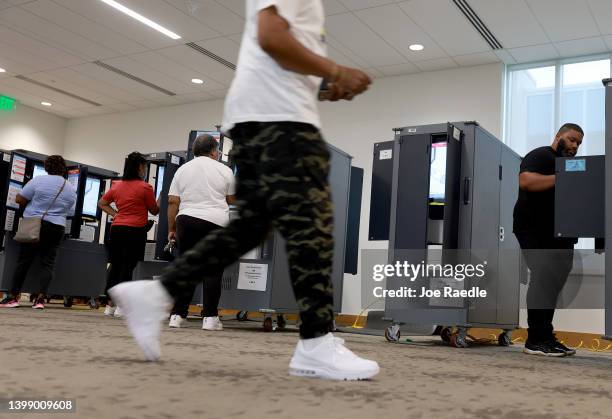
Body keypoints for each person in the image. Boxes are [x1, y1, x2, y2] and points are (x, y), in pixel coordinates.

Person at [109, 0, 379, 381]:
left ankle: (155, 294)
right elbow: (271, 37)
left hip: (263, 116)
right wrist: (336, 70)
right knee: (313, 226)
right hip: (278, 122)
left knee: (253, 224)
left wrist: (323, 84)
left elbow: (275, 60)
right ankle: (316, 342)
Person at [513, 123, 584, 357]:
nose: (575, 145)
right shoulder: (542, 154)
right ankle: (534, 340)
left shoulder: (570, 166)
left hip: (561, 232)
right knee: (543, 277)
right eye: (572, 139)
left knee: (553, 284)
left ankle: (545, 336)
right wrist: (565, 176)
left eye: (579, 143)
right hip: (533, 228)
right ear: (559, 136)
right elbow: (527, 182)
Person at [166, 135, 236, 330]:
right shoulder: (225, 170)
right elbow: (232, 200)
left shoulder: (182, 170)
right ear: (214, 151)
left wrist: (172, 229)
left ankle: (177, 316)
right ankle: (210, 318)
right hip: (216, 223)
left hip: (186, 221)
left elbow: (173, 202)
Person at [0, 155, 77, 310]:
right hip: (57, 228)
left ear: (47, 167)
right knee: (48, 264)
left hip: (35, 224)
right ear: (63, 168)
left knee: (24, 261)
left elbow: (19, 199)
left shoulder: (38, 181)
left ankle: (13, 297)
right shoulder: (69, 187)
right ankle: (40, 299)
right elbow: (70, 208)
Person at [98, 152, 159, 318]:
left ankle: (109, 305)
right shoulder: (146, 188)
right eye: (145, 167)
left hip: (117, 229)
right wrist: (160, 199)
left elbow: (102, 203)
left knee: (116, 266)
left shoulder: (117, 185)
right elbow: (154, 210)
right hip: (135, 231)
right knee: (127, 267)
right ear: (140, 167)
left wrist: (115, 214)